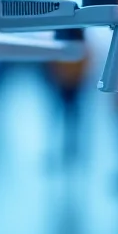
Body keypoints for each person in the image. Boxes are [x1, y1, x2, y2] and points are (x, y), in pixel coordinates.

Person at [44, 29, 90, 165]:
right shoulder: (78, 45)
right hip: (66, 85)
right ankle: (67, 149)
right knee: (68, 119)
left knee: (67, 119)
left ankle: (69, 149)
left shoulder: (67, 44)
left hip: (69, 86)